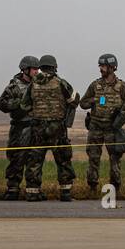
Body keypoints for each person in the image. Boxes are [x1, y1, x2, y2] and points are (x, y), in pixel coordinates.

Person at [24, 54, 80, 201]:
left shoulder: (33, 83)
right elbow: (74, 100)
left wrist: (36, 113)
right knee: (63, 159)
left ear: (41, 67)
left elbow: (24, 105)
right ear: (54, 67)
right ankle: (66, 193)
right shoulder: (61, 83)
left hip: (38, 128)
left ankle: (32, 192)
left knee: (35, 160)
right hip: (57, 128)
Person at [80, 53, 125, 198]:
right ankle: (92, 188)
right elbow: (83, 103)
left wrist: (119, 106)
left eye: (103, 66)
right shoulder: (95, 85)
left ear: (112, 67)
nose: (101, 69)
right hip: (95, 128)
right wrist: (92, 101)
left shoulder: (121, 86)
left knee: (115, 159)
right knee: (93, 158)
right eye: (100, 66)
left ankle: (115, 189)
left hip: (112, 129)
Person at [0, 55, 39, 200]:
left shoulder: (39, 84)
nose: (36, 72)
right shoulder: (14, 86)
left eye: (37, 69)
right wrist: (19, 105)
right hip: (20, 128)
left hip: (35, 128)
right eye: (34, 69)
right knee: (17, 158)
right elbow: (1, 104)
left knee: (34, 159)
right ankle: (12, 189)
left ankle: (33, 190)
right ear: (25, 69)